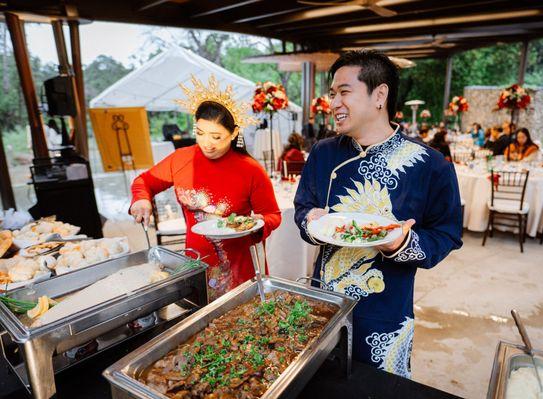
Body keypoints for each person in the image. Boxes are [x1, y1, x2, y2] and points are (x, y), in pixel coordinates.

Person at [294, 51, 462, 378]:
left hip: (386, 309)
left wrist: (404, 242)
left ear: (379, 96)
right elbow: (303, 208)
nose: (333, 103)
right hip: (323, 301)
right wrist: (310, 222)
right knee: (319, 384)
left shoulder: (430, 164)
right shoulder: (323, 152)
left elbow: (447, 234)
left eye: (344, 92)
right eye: (332, 94)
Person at [130, 75, 282, 301]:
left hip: (240, 267)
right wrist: (141, 198)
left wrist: (256, 225)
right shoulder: (181, 159)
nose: (206, 143)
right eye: (200, 133)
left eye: (216, 136)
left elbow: (273, 215)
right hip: (196, 260)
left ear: (234, 133)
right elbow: (144, 181)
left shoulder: (250, 170)